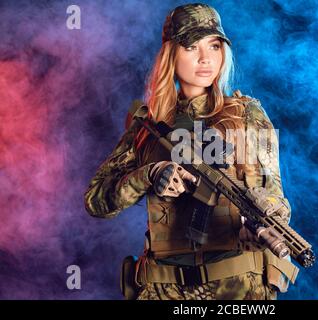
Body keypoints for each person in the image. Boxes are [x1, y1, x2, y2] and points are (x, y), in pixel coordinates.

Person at [84, 2, 298, 300]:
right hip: (163, 289)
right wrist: (149, 174)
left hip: (237, 290)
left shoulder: (248, 115)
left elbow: (275, 193)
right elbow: (96, 201)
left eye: (214, 46)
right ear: (171, 54)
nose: (205, 58)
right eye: (191, 47)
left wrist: (265, 219)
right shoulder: (149, 125)